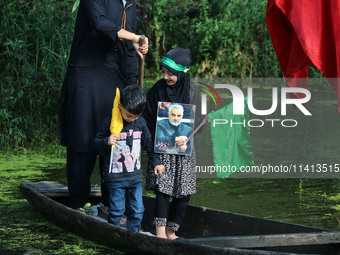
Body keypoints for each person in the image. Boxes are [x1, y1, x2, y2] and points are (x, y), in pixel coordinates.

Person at [57, 0, 148, 211]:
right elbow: (100, 23)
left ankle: (111, 203)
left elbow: (128, 49)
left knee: (115, 136)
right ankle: (78, 203)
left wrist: (133, 85)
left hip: (116, 76)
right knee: (82, 138)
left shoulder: (131, 5)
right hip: (86, 73)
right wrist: (134, 37)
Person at [143, 48, 201, 239]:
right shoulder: (158, 90)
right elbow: (147, 122)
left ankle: (171, 231)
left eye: (170, 74)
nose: (166, 76)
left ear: (182, 72)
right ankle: (160, 232)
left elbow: (198, 123)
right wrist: (156, 157)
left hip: (185, 149)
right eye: (163, 72)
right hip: (161, 148)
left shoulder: (193, 91)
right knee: (162, 188)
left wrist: (202, 123)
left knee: (184, 192)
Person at [92, 85, 165, 232]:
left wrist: (156, 162)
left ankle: (133, 235)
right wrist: (106, 141)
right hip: (115, 177)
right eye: (129, 115)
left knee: (138, 210)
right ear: (120, 106)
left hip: (135, 176)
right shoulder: (109, 122)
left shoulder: (141, 123)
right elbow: (95, 144)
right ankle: (114, 234)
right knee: (117, 210)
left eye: (136, 116)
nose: (132, 119)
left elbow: (149, 144)